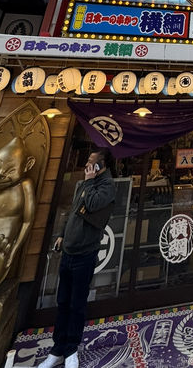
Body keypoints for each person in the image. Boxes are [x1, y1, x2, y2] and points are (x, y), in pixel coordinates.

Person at [37, 149, 116, 368]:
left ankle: (72, 348)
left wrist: (89, 182)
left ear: (102, 165)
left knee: (77, 303)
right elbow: (73, 212)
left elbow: (91, 205)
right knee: (63, 301)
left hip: (86, 252)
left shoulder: (107, 186)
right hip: (69, 251)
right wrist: (62, 234)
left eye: (91, 162)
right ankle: (57, 349)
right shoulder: (84, 184)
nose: (87, 165)